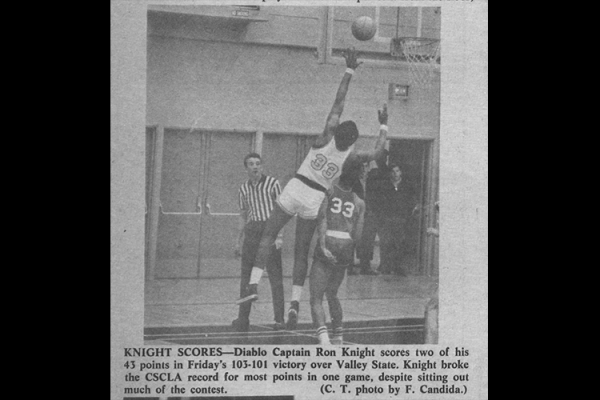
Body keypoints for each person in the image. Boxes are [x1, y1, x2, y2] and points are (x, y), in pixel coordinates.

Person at [236, 47, 390, 331]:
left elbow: (338, 102)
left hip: (296, 186)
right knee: (302, 252)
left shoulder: (325, 135)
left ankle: (253, 283)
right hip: (315, 196)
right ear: (353, 140)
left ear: (337, 130)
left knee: (268, 234)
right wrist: (383, 124)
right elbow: (379, 153)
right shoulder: (352, 157)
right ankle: (295, 302)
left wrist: (349, 70)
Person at [309, 156, 365, 345]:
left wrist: (323, 245)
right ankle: (338, 337)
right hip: (346, 246)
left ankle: (324, 342)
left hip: (330, 240)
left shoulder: (330, 190)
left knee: (315, 298)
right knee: (332, 294)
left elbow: (322, 218)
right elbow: (358, 236)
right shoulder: (359, 201)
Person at [232, 153, 285, 332]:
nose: (255, 166)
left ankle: (279, 319)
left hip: (269, 230)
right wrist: (238, 241)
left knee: (275, 278)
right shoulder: (243, 189)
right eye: (251, 164)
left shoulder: (273, 184)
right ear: (246, 168)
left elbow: (281, 212)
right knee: (246, 278)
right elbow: (243, 215)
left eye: (258, 163)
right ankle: (243, 318)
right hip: (252, 231)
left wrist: (279, 237)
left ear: (262, 166)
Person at [377, 163, 417, 275]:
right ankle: (385, 266)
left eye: (397, 171)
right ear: (390, 173)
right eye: (393, 171)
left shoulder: (407, 186)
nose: (395, 174)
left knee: (399, 243)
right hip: (387, 219)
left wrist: (407, 213)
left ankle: (398, 266)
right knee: (386, 243)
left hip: (401, 219)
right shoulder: (385, 186)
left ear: (401, 172)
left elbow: (412, 201)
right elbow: (380, 202)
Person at [356, 149, 389, 274]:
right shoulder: (376, 172)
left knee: (370, 240)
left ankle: (367, 266)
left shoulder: (376, 172)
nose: (383, 160)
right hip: (375, 211)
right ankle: (367, 266)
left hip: (375, 211)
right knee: (369, 240)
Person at [348, 161, 379, 275]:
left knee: (368, 240)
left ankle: (365, 267)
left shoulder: (372, 182)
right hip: (356, 214)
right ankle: (349, 267)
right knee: (353, 239)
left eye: (365, 167)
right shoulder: (353, 182)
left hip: (369, 214)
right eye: (361, 167)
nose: (363, 169)